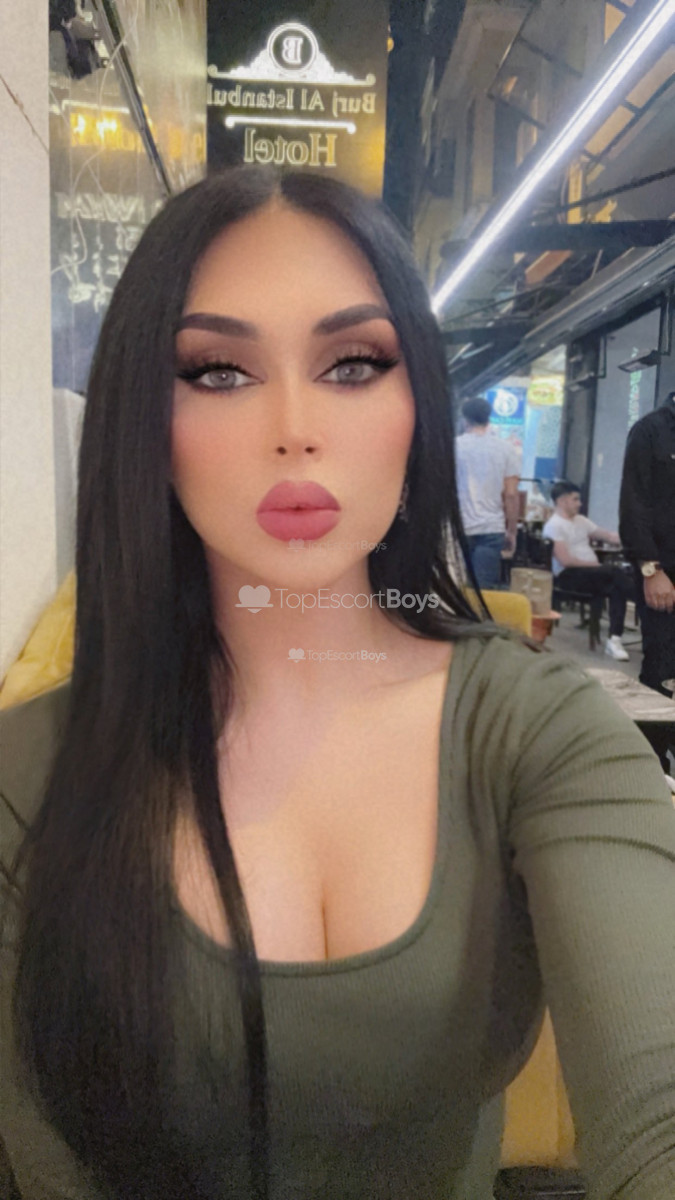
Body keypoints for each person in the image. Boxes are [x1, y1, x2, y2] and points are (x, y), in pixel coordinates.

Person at [1, 167, 674, 1200]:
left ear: (417, 406)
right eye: (218, 371)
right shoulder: (30, 775)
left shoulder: (539, 733)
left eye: (353, 364)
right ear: (145, 420)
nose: (294, 426)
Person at [619, 391, 675, 696]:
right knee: (662, 670)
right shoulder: (650, 431)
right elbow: (634, 507)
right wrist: (651, 571)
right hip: (665, 574)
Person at [543, 480, 634, 661]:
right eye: (575, 499)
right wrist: (596, 566)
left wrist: (636, 539)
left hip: (591, 575)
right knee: (617, 574)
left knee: (618, 587)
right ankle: (647, 600)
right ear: (562, 501)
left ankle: (614, 639)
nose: (580, 503)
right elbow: (565, 561)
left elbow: (609, 537)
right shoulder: (554, 526)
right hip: (568, 576)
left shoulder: (581, 521)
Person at [454, 396, 520, 588]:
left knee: (456, 587)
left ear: (464, 419)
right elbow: (511, 494)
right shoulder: (506, 449)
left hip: (459, 526)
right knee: (484, 591)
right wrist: (512, 531)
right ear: (488, 419)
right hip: (492, 528)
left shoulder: (453, 447)